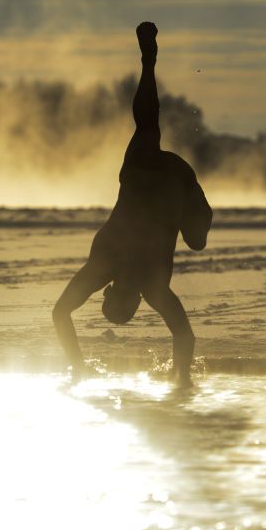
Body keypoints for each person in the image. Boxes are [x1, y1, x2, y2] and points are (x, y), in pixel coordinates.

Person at [52, 22, 212, 386]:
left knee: (147, 127)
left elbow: (60, 313)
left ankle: (149, 62)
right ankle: (148, 64)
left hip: (170, 182)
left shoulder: (136, 279)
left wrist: (79, 368)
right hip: (172, 182)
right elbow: (59, 313)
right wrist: (181, 379)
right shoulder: (117, 271)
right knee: (147, 127)